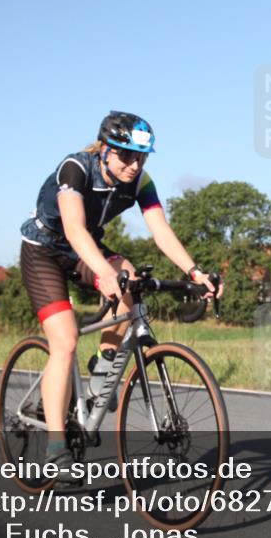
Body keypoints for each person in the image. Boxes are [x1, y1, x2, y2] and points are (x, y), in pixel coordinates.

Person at [19, 111, 221, 476]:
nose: (134, 164)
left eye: (141, 156)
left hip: (85, 248)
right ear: (104, 150)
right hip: (45, 251)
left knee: (130, 276)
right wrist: (101, 273)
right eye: (125, 155)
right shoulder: (75, 169)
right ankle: (55, 447)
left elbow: (161, 231)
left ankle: (103, 371)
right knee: (63, 342)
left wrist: (194, 272)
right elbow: (75, 229)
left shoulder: (140, 182)